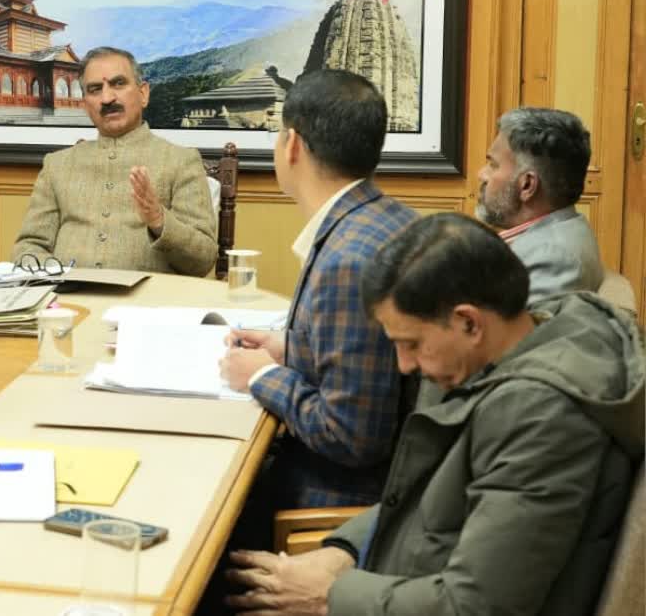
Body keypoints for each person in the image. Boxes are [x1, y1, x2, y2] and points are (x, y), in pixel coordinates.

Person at [225, 213, 642, 616]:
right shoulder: (512, 356)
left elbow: (476, 606)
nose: (405, 365)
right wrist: (343, 552)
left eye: (412, 344)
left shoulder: (542, 417)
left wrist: (329, 597)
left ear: (468, 323)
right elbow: (425, 498)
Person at [219, 69, 417, 514]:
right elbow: (368, 363)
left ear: (291, 145)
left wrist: (260, 376)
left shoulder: (348, 259)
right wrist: (288, 349)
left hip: (333, 502)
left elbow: (350, 437)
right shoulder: (383, 217)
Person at [11, 46, 217, 276]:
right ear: (85, 103)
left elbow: (203, 260)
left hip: (149, 306)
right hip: (69, 303)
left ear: (143, 93)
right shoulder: (57, 165)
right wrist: (58, 279)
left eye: (118, 84)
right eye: (95, 89)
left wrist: (159, 220)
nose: (107, 98)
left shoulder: (181, 161)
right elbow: (28, 247)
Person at [477, 107, 603, 302]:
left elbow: (526, 332)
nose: (482, 175)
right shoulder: (563, 228)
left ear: (527, 185)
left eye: (493, 165)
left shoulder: (554, 258)